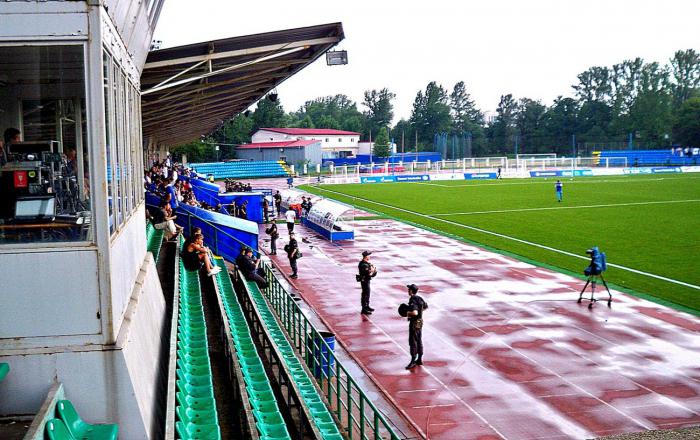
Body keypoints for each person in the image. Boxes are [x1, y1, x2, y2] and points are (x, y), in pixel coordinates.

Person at [404, 284, 428, 370]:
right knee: (419, 339)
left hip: (414, 322)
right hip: (420, 321)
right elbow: (425, 306)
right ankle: (419, 359)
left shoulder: (413, 299)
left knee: (413, 341)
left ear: (411, 291)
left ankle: (413, 361)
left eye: (409, 289)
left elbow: (415, 313)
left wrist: (406, 314)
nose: (408, 291)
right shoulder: (419, 298)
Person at [358, 251, 377, 315]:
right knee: (365, 294)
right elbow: (368, 273)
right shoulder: (363, 264)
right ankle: (364, 309)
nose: (369, 256)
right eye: (369, 255)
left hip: (367, 280)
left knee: (367, 294)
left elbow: (372, 273)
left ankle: (367, 306)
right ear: (366, 256)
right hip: (364, 281)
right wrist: (371, 270)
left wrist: (373, 271)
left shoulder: (367, 263)